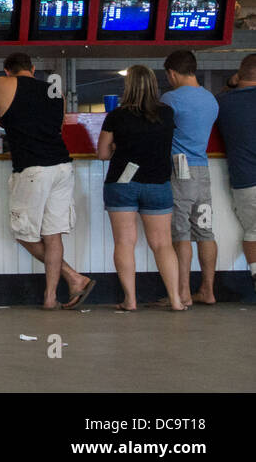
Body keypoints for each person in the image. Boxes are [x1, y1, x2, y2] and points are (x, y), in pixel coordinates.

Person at [0, 52, 94, 309]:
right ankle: (50, 297)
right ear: (33, 69)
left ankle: (72, 276)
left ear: (7, 70)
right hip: (62, 166)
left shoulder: (2, 84)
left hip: (33, 168)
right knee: (52, 235)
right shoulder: (55, 93)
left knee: (24, 233)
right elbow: (53, 128)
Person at [97, 65, 185, 311]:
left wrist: (118, 148)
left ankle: (131, 301)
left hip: (122, 184)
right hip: (157, 183)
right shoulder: (167, 113)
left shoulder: (116, 116)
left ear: (128, 86)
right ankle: (176, 301)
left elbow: (102, 153)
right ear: (154, 85)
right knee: (163, 244)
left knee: (125, 243)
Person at [161, 50, 221, 307]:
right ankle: (208, 290)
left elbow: (160, 131)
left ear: (172, 73)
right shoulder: (211, 100)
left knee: (181, 232)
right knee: (205, 231)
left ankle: (183, 292)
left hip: (179, 170)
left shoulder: (170, 99)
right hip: (202, 171)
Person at [216, 53, 256, 296]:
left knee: (254, 231)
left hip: (246, 178)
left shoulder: (223, 103)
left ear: (238, 75)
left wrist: (232, 84)